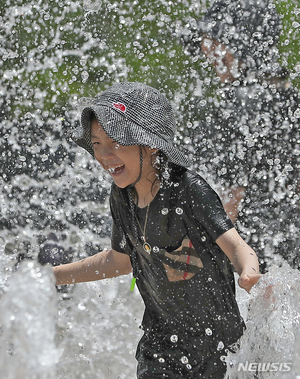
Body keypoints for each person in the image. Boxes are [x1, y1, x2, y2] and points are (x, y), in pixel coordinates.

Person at [53, 81, 261, 379]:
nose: (104, 155)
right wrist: (51, 277)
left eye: (116, 142)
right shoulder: (121, 196)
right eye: (97, 144)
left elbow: (236, 246)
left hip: (220, 348)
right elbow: (119, 260)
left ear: (149, 143)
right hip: (161, 347)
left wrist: (249, 271)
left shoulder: (188, 190)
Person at [182, 0, 300, 273]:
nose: (206, 50)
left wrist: (184, 263)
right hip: (289, 262)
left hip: (253, 265)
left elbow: (225, 204)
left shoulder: (238, 107)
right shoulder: (291, 100)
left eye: (216, 42)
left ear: (244, 44)